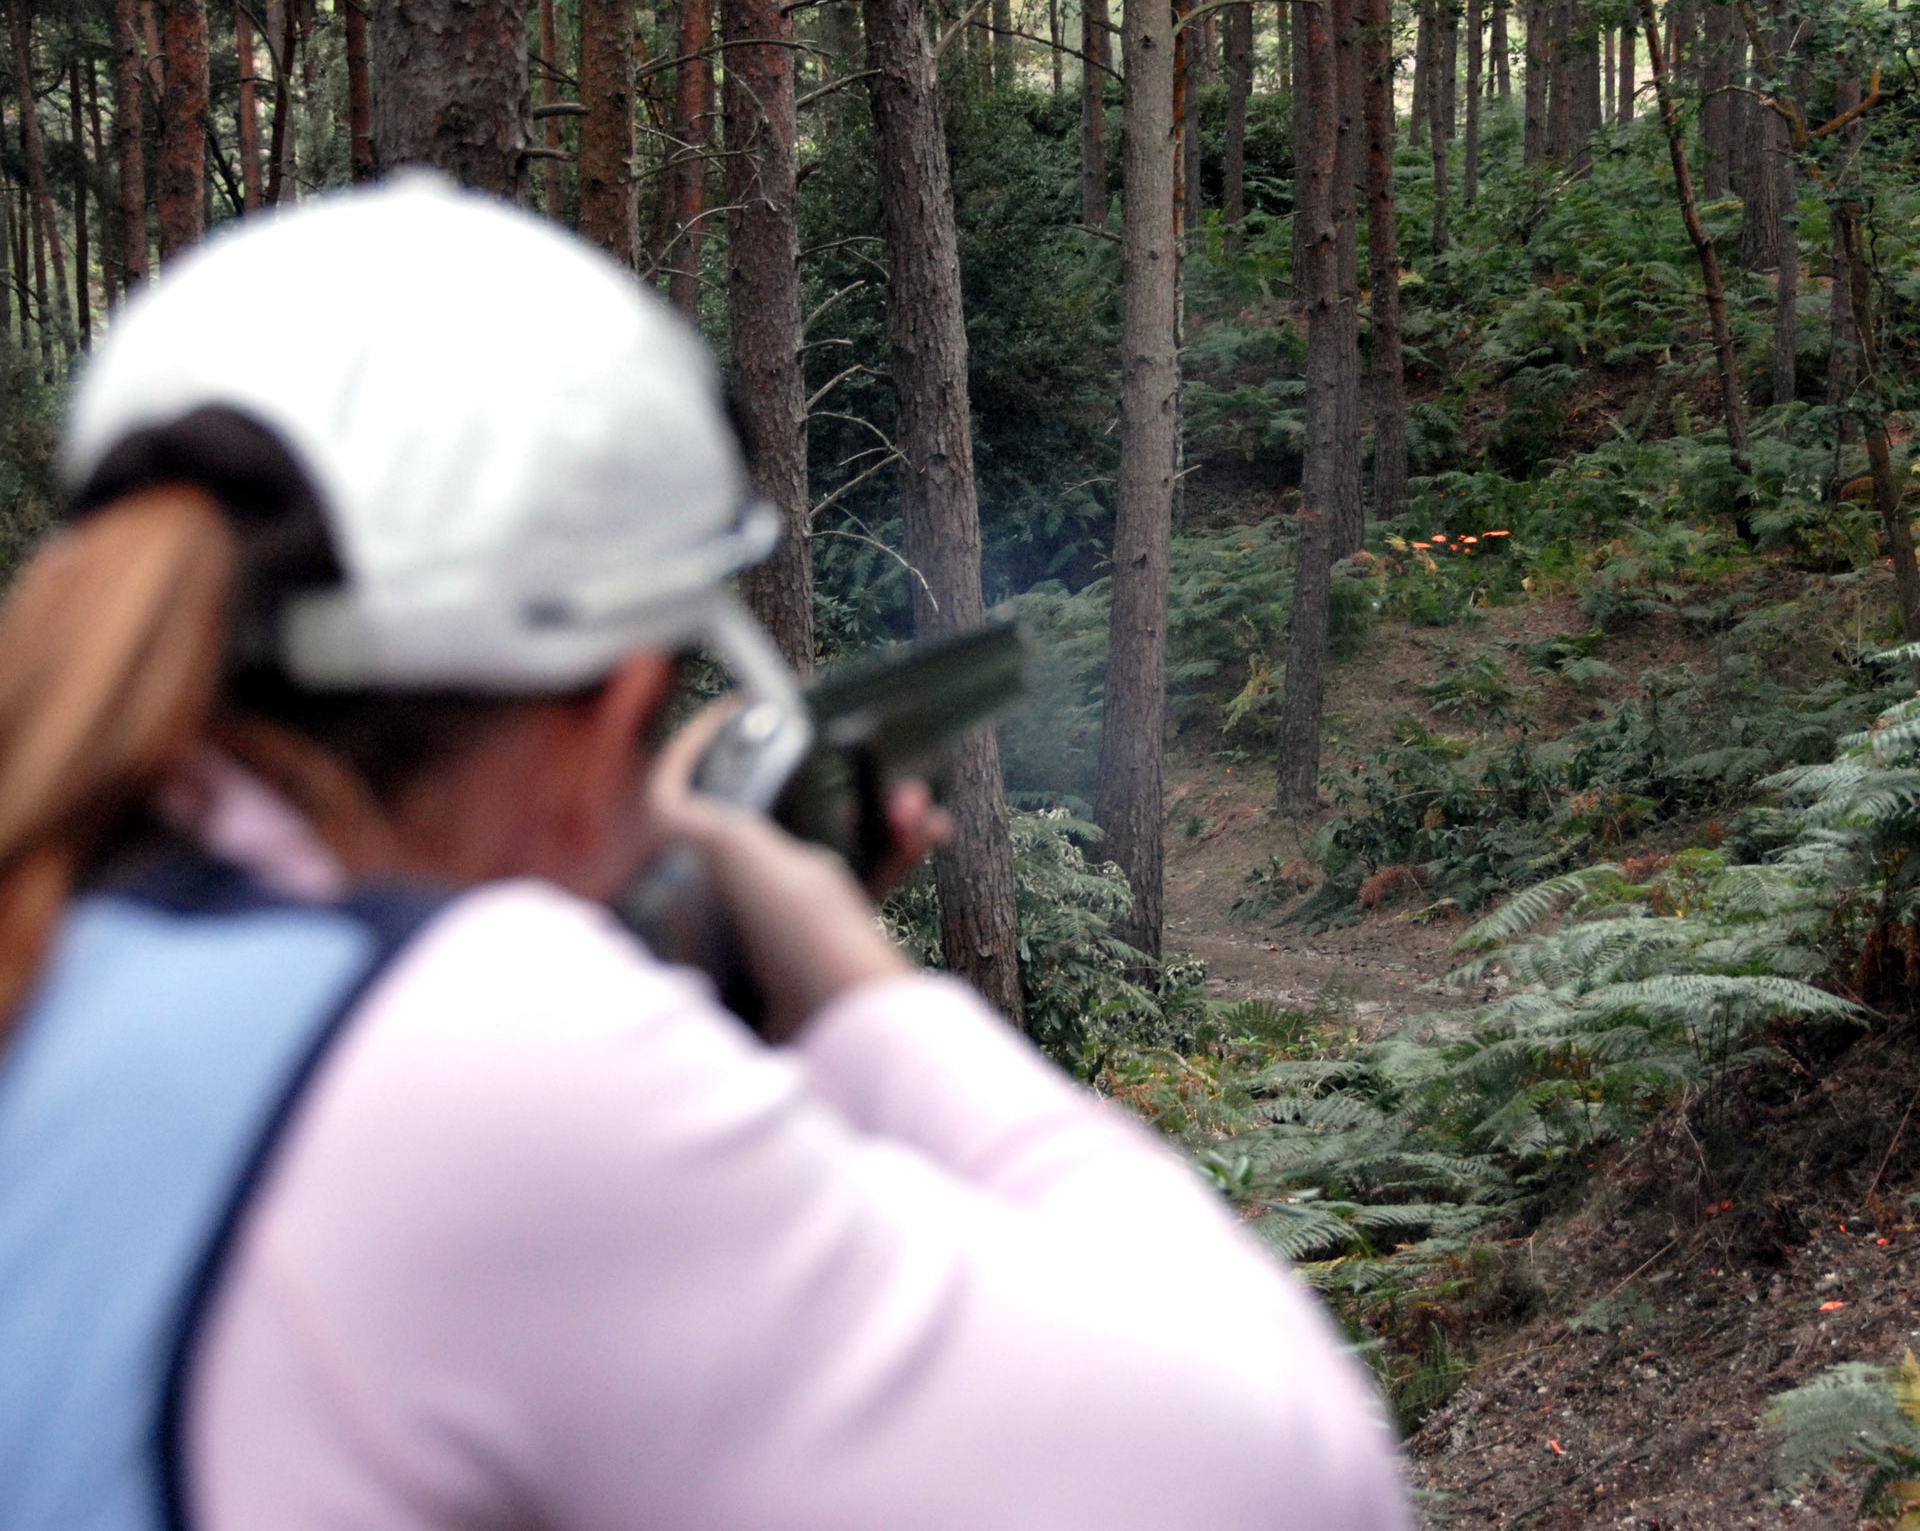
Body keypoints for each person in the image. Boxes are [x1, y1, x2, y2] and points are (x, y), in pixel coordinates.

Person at [0, 179, 1412, 1531]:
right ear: (615, 705)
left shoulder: (70, 934)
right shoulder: (467, 1063)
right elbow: (1290, 1476)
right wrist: (856, 991)